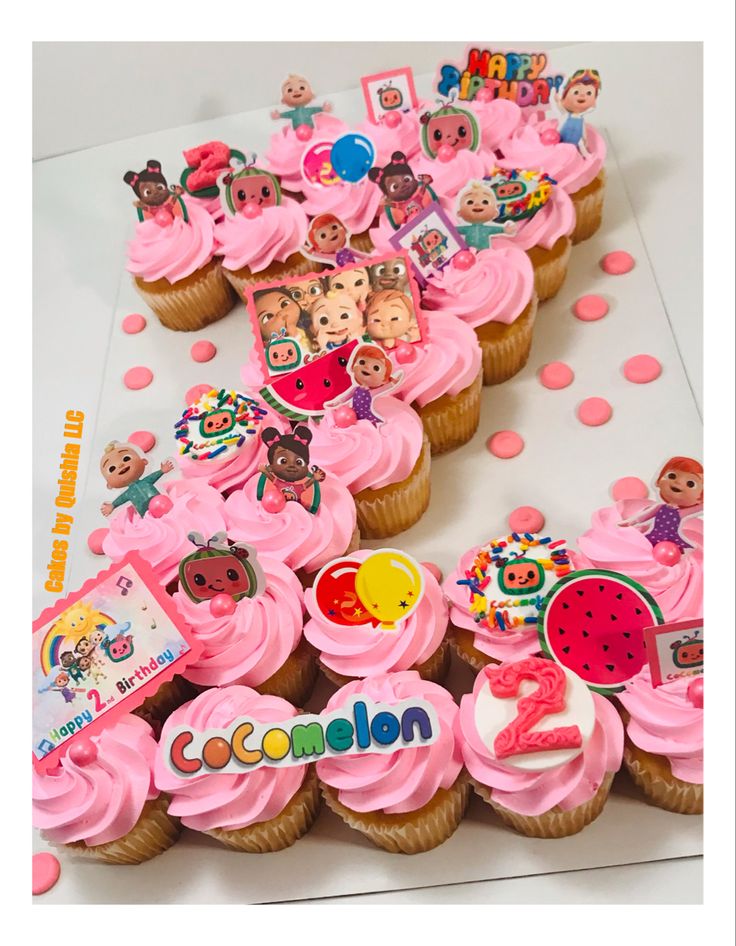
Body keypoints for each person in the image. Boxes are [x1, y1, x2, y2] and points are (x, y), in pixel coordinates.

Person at [617, 457, 703, 550]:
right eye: (672, 476)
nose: (678, 482)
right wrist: (630, 522)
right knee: (639, 547)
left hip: (672, 541)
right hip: (654, 536)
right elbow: (645, 516)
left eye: (690, 484)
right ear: (658, 481)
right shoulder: (660, 507)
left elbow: (699, 508)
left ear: (700, 497)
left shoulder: (682, 513)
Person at [325, 343, 403, 427]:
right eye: (362, 362)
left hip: (368, 417)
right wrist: (336, 403)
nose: (367, 367)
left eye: (376, 368)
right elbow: (346, 397)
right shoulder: (356, 389)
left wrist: (393, 382)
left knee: (374, 425)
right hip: (353, 417)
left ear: (383, 379)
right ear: (352, 366)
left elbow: (385, 388)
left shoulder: (373, 392)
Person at [100, 442, 174, 518]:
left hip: (163, 505)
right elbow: (121, 499)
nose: (120, 465)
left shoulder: (146, 481)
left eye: (126, 458)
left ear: (144, 461)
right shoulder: (128, 493)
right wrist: (112, 505)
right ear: (109, 485)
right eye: (112, 469)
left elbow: (153, 477)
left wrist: (162, 471)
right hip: (148, 517)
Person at [456, 181, 516, 250]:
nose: (477, 204)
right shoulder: (465, 229)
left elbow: (495, 229)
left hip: (485, 253)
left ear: (495, 213)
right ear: (459, 213)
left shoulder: (488, 228)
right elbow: (453, 231)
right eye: (470, 202)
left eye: (485, 202)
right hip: (468, 255)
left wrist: (504, 229)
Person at [554, 69, 602, 157]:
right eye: (576, 92)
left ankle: (585, 155)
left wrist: (585, 139)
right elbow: (560, 126)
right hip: (563, 138)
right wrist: (556, 135)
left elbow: (583, 131)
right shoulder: (566, 115)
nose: (582, 95)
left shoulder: (581, 119)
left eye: (589, 93)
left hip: (576, 140)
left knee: (580, 144)